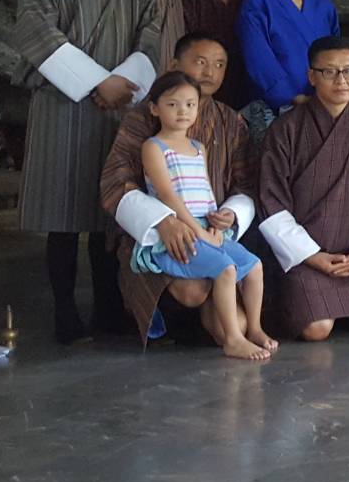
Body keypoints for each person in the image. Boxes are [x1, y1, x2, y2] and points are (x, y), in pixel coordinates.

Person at [8, 0, 161, 342]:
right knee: (61, 213)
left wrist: (124, 83)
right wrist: (97, 82)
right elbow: (35, 29)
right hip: (62, 99)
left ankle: (109, 307)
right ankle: (64, 310)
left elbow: (151, 30)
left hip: (120, 103)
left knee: (110, 211)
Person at [101, 34, 265, 352]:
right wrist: (163, 221)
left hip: (211, 230)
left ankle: (229, 325)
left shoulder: (231, 121)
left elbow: (246, 183)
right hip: (159, 234)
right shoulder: (143, 119)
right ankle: (174, 316)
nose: (210, 72)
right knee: (192, 291)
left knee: (238, 323)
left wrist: (230, 215)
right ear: (174, 65)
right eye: (200, 62)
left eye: (219, 64)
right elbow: (115, 182)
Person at [256, 37, 349, 341]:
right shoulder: (286, 130)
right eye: (330, 72)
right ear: (312, 76)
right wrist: (313, 256)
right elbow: (272, 202)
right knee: (317, 328)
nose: (341, 80)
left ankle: (342, 305)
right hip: (307, 256)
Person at [132, 72, 272, 360]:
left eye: (190, 104)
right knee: (225, 269)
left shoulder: (198, 148)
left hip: (206, 227)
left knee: (254, 266)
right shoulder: (153, 147)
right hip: (179, 231)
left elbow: (206, 192)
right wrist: (197, 232)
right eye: (172, 104)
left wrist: (215, 224)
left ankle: (255, 329)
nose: (182, 111)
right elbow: (168, 196)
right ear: (154, 108)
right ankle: (233, 339)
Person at [236, 0, 339, 140]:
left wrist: (327, 94)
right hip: (273, 107)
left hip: (322, 104)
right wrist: (292, 97)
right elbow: (259, 59)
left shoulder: (325, 7)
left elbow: (336, 55)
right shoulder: (257, 4)